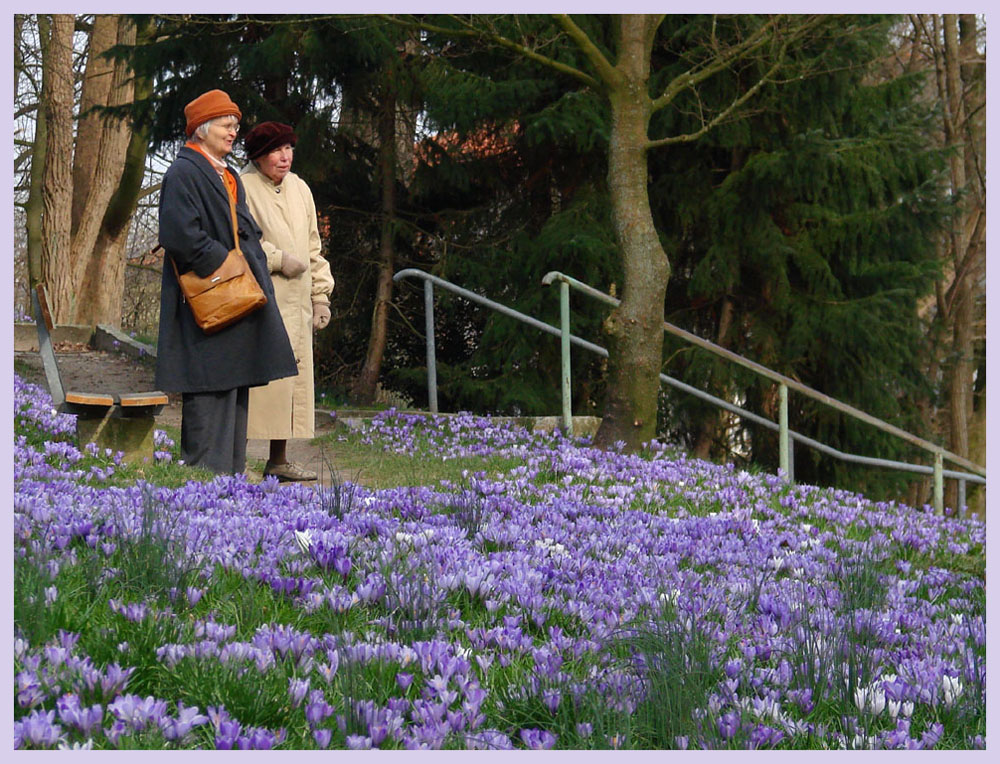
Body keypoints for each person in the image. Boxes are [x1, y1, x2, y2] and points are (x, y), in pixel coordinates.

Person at [156, 90, 298, 475]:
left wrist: (248, 271)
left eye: (236, 124)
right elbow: (180, 236)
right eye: (225, 124)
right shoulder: (184, 172)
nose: (233, 131)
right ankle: (204, 482)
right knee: (208, 391)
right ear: (201, 130)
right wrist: (228, 266)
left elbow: (244, 231)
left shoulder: (227, 173)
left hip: (236, 300)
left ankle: (229, 482)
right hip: (209, 300)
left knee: (234, 390)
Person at [240, 121, 335, 482]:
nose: (285, 157)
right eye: (277, 150)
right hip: (263, 297)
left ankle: (278, 460)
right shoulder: (242, 187)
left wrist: (321, 295)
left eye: (289, 149)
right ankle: (235, 460)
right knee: (259, 382)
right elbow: (241, 240)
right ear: (259, 156)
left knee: (290, 381)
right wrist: (279, 259)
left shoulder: (300, 189)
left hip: (299, 304)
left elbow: (313, 247)